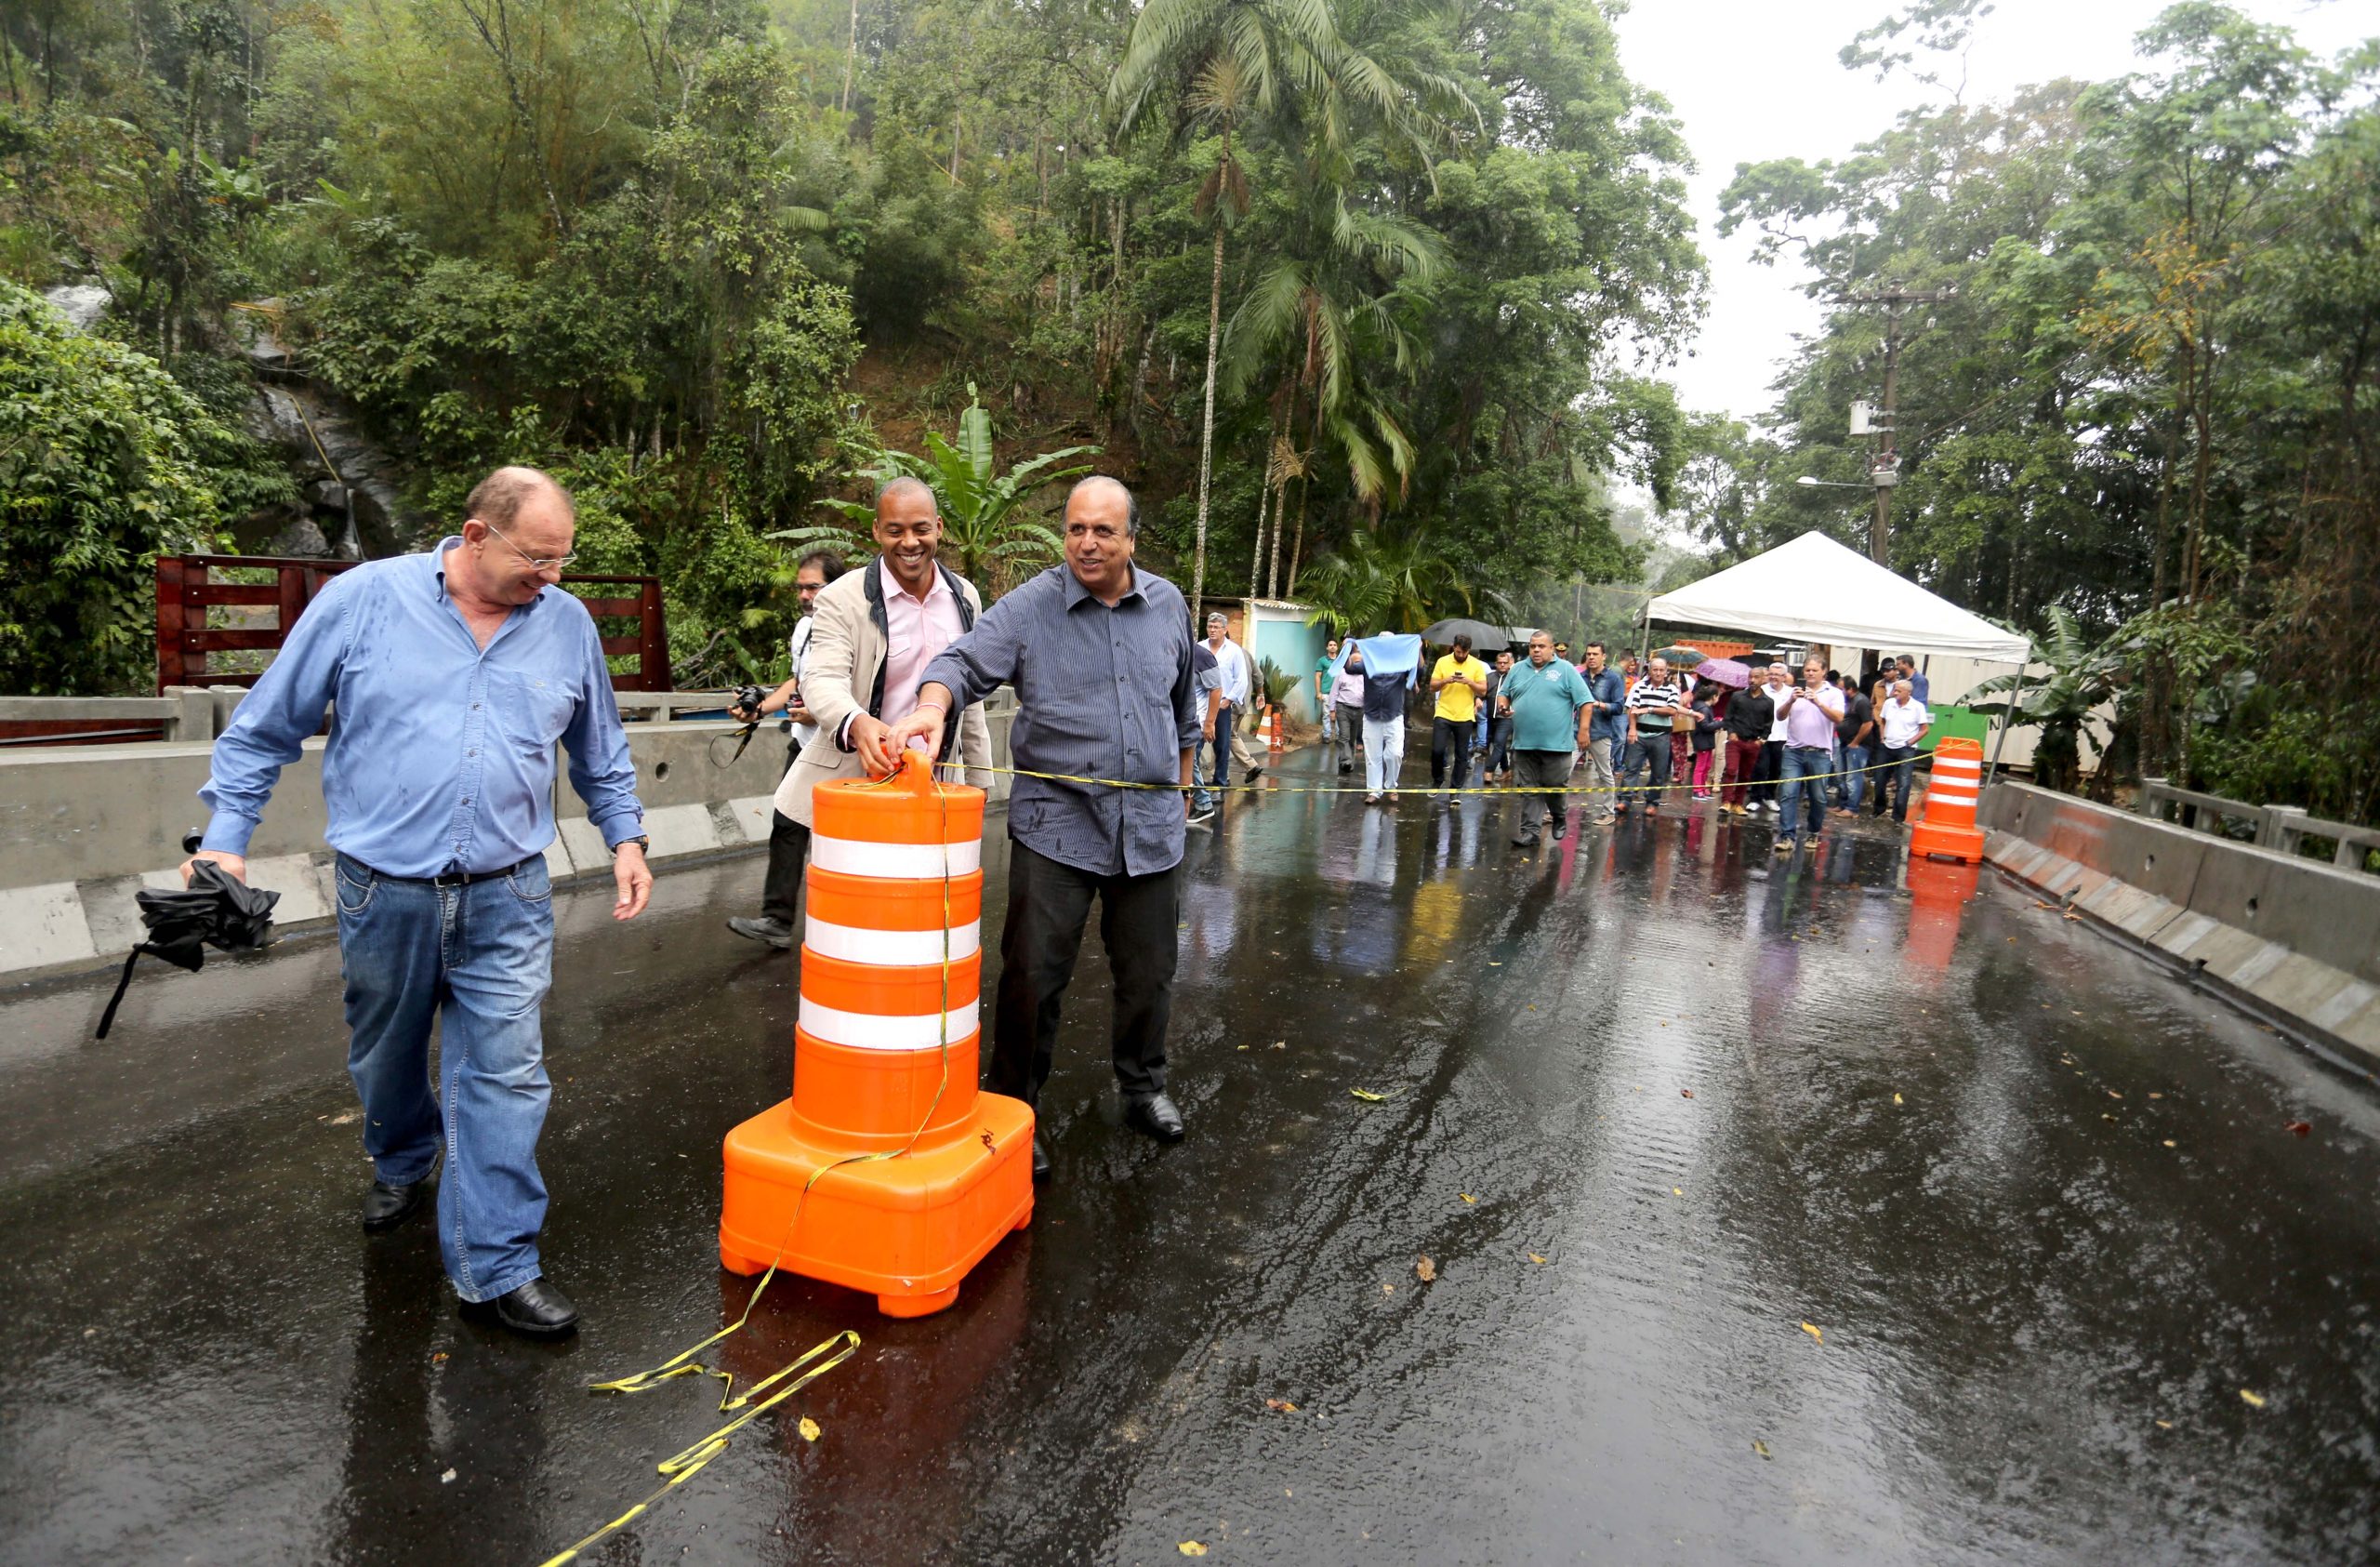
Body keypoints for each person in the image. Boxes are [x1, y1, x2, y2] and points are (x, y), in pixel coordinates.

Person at [187, 466, 652, 1339]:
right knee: (386, 1056)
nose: (551, 578)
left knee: (506, 1074)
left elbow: (601, 745)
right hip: (383, 890)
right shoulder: (363, 600)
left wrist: (625, 836)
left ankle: (497, 1265)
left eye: (564, 561)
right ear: (476, 536)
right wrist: (225, 837)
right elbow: (265, 723)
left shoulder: (566, 625)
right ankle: (402, 1154)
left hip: (509, 892)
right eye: (537, 558)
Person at [888, 477, 1199, 1175]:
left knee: (1150, 973)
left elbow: (1184, 703)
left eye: (1103, 531)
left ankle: (1144, 1087)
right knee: (1033, 976)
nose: (1087, 543)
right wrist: (933, 706)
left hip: (1149, 826)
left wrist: (1182, 784)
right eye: (1075, 529)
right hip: (1054, 823)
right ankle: (1014, 1112)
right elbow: (960, 663)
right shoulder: (1032, 606)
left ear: (1131, 539)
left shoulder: (1169, 605)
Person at [768, 478, 995, 910]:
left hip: (937, 791)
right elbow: (821, 680)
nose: (910, 542)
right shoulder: (840, 598)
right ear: (876, 532)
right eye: (895, 531)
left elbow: (973, 700)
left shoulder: (965, 597)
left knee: (927, 915)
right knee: (856, 915)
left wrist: (981, 791)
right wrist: (857, 723)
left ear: (939, 527)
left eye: (920, 529)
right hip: (859, 788)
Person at [727, 549, 846, 948]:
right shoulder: (803, 630)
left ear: (835, 587)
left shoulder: (855, 625)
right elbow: (797, 682)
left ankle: (843, 927)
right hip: (804, 745)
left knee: (840, 843)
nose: (804, 595)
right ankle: (777, 920)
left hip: (841, 747)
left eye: (813, 587)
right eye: (801, 588)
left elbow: (859, 687)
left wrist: (820, 713)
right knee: (786, 825)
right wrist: (759, 708)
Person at [1497, 631, 1592, 847]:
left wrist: (1584, 730)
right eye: (1532, 646)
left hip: (1556, 745)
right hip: (1523, 742)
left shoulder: (1566, 670)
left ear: (1551, 649)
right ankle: (1530, 832)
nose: (1536, 650)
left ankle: (1558, 816)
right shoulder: (1518, 669)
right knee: (1529, 789)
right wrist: (1503, 706)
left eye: (1541, 646)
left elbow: (1585, 702)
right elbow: (1504, 693)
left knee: (1555, 786)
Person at [1773, 655, 1845, 854]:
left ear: (1823, 671)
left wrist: (1818, 702)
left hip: (1819, 753)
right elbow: (1779, 716)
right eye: (1807, 670)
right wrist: (1790, 700)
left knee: (1818, 797)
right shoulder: (1794, 691)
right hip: (1793, 751)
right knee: (1788, 793)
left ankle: (1813, 831)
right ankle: (1787, 836)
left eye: (1814, 670)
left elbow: (1839, 718)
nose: (1810, 673)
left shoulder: (1834, 693)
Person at [1204, 613, 1264, 790]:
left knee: (1223, 737)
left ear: (1225, 632)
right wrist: (1260, 693)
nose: (1213, 631)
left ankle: (1227, 774)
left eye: (1218, 628)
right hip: (1239, 702)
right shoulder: (1243, 652)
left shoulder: (1236, 652)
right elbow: (1258, 676)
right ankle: (1227, 774)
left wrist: (1228, 700)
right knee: (1228, 736)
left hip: (1230, 702)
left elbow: (1248, 678)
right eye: (1211, 627)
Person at [1621, 655, 1686, 813]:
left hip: (1661, 736)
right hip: (1639, 734)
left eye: (1661, 670)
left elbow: (1671, 710)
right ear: (1649, 671)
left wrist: (1648, 709)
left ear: (1666, 672)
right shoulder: (1639, 686)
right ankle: (1625, 799)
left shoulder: (1671, 688)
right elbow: (1632, 710)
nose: (1658, 673)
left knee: (1658, 771)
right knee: (1631, 768)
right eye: (1655, 669)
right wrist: (1632, 729)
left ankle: (1652, 801)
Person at [1357, 640, 1418, 804]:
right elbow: (1349, 668)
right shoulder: (1368, 664)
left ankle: (1391, 786)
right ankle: (1374, 791)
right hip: (1371, 717)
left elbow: (1419, 669)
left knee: (1395, 754)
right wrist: (1348, 648)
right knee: (1372, 756)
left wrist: (1417, 649)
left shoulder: (1401, 664)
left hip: (1394, 716)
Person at [1428, 634, 1490, 792]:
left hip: (1465, 715)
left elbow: (1483, 690)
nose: (1461, 655)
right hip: (1443, 712)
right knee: (1437, 750)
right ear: (1453, 647)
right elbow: (1432, 686)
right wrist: (1445, 681)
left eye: (1464, 653)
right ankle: (1438, 779)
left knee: (1462, 755)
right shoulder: (1443, 661)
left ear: (1469, 650)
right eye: (1458, 652)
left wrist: (1469, 682)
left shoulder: (1476, 665)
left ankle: (1455, 789)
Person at [1579, 641, 1626, 827]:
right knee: (1562, 771)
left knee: (1605, 773)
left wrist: (1599, 705)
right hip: (1577, 732)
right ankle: (1553, 812)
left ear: (1603, 656)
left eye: (1595, 654)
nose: (1591, 657)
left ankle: (1608, 812)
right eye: (1589, 654)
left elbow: (1619, 707)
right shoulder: (1580, 677)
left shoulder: (1613, 679)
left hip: (1601, 732)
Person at [1873, 677, 1934, 823]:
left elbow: (1925, 729)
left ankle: (1898, 817)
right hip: (1887, 746)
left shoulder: (1917, 707)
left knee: (1904, 783)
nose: (1894, 693)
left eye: (1898, 691)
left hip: (1906, 749)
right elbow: (1882, 722)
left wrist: (1910, 742)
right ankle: (1878, 809)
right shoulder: (1889, 703)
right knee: (1880, 780)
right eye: (1894, 690)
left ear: (1908, 693)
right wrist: (1882, 737)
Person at [1720, 675, 1772, 817]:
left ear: (1763, 680)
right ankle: (1726, 801)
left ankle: (1738, 803)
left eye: (1756, 677)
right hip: (1736, 740)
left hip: (1753, 742)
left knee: (1745, 774)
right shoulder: (1737, 696)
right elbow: (1728, 717)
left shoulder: (1768, 701)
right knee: (1731, 770)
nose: (1752, 680)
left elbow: (1768, 724)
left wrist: (1761, 740)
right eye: (1750, 677)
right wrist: (1731, 732)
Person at [1189, 633, 1223, 825]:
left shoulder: (1202, 656)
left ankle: (1204, 804)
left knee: (1190, 761)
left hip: (1197, 722)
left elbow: (1216, 690)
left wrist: (1209, 723)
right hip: (1179, 722)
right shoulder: (1176, 652)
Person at [1752, 660, 1793, 813]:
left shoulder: (1791, 692)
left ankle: (1769, 797)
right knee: (1760, 768)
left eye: (1778, 674)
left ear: (1784, 677)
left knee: (1776, 769)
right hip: (1762, 736)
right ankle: (1755, 798)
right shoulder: (1760, 690)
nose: (1774, 677)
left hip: (1782, 736)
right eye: (1772, 674)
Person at [1833, 671, 1876, 817]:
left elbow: (1868, 724)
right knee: (1842, 775)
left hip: (1858, 746)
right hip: (1845, 742)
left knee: (1853, 777)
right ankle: (1843, 804)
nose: (1839, 692)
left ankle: (1852, 808)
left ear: (1850, 689)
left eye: (1841, 689)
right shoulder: (1848, 701)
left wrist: (1855, 742)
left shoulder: (1861, 701)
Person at [1329, 647, 1368, 776]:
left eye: (1360, 662)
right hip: (1343, 708)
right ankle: (1347, 761)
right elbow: (1334, 692)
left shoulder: (1365, 675)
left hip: (1359, 710)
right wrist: (1332, 710)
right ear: (1350, 663)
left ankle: (1345, 761)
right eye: (1355, 662)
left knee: (1352, 738)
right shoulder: (1342, 673)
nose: (1358, 665)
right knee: (1344, 736)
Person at [1482, 649, 1516, 784]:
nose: (1502, 665)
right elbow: (1483, 693)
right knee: (1498, 744)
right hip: (1491, 716)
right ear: (1496, 663)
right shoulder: (1490, 677)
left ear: (1509, 664)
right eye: (1500, 663)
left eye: (1505, 663)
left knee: (1499, 742)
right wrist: (1478, 699)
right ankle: (1506, 770)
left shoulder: (1514, 678)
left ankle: (1489, 770)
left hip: (1507, 717)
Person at [1688, 680, 1722, 800]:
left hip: (1705, 741)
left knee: (1706, 766)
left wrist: (1715, 722)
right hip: (1703, 741)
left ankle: (1703, 788)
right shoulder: (1704, 709)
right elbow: (1705, 726)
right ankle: (1697, 790)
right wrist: (1719, 723)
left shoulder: (1701, 706)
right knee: (1701, 766)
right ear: (1713, 697)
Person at [1316, 636, 1342, 748]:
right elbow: (1317, 676)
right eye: (1330, 645)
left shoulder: (1341, 660)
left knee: (1339, 714)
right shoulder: (1322, 660)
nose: (1332, 647)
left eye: (1334, 645)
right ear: (1327, 647)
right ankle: (1326, 735)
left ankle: (1339, 735)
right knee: (1326, 714)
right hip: (1326, 692)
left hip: (1340, 692)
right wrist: (1318, 692)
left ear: (1337, 647)